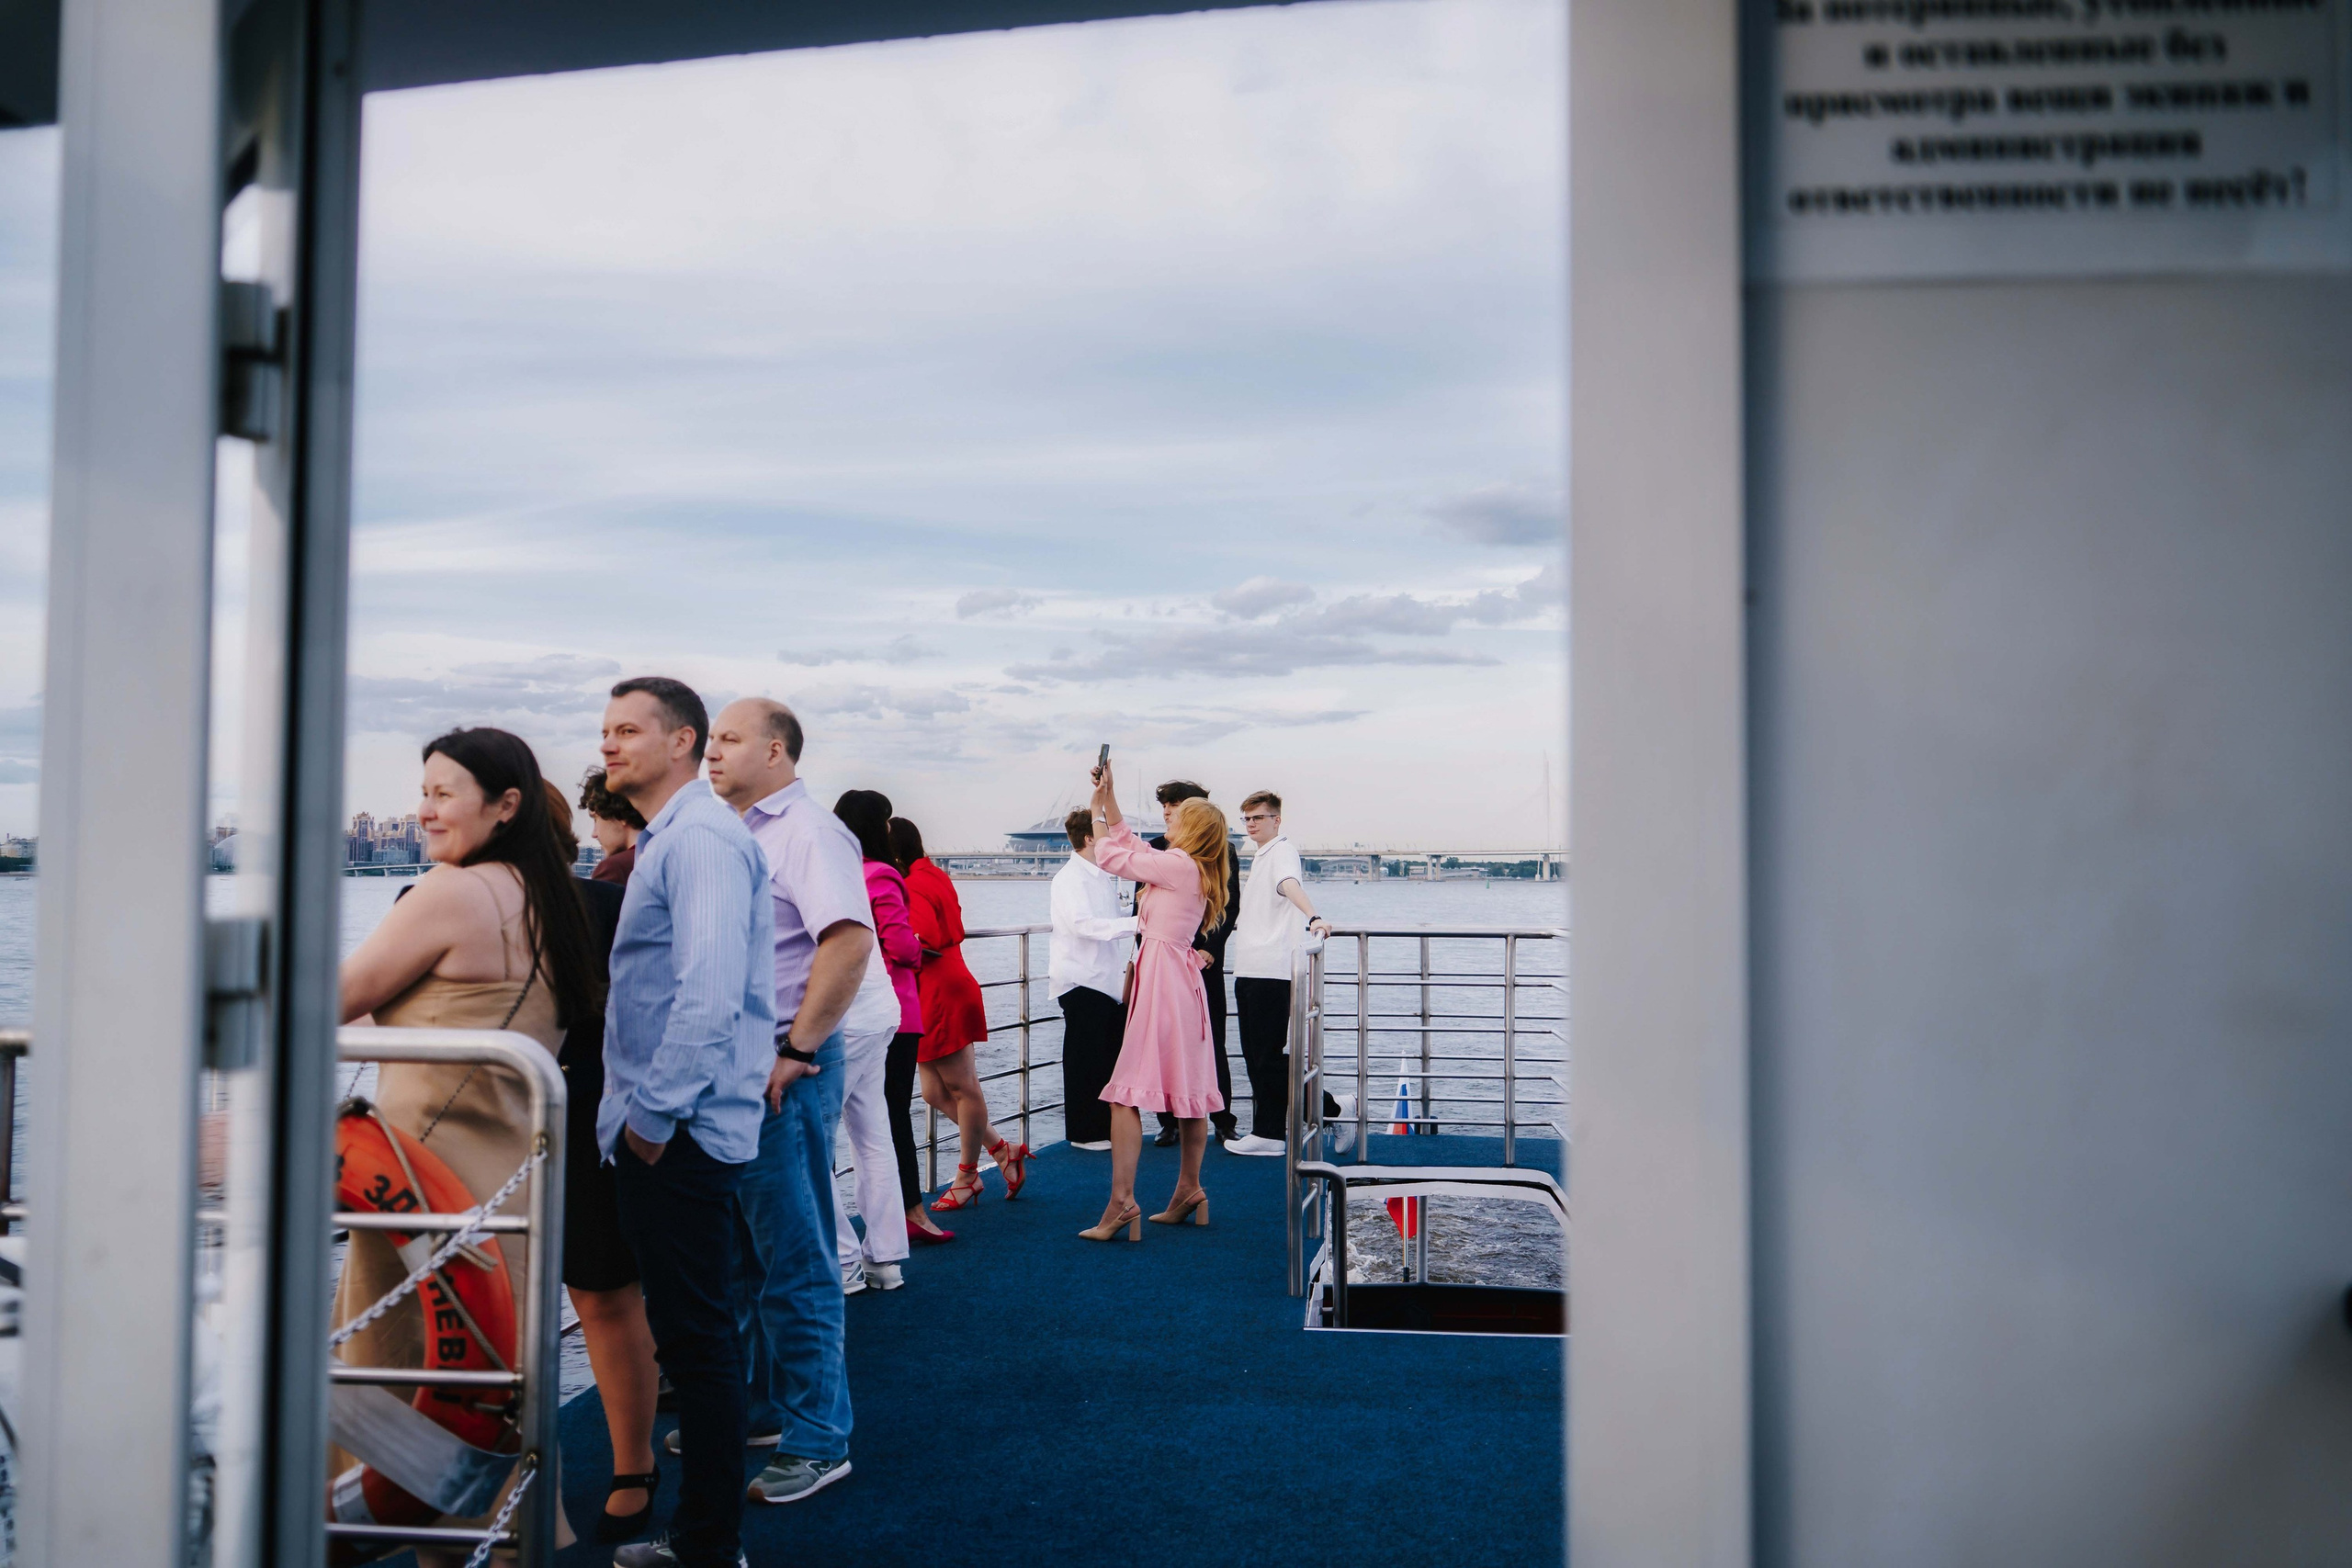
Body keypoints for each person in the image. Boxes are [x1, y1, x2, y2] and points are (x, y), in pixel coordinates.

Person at [333, 728, 601, 1556]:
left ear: (505, 804)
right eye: (424, 791)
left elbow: (328, 1000)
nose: (424, 808)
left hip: (422, 1192)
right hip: (508, 1191)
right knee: (500, 1406)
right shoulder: (546, 898)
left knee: (403, 1392)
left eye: (444, 792)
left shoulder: (450, 894)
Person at [597, 676, 774, 1568]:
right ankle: (707, 1539)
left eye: (628, 729)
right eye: (604, 730)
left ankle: (709, 1547)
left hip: (682, 1134)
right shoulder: (683, 836)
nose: (609, 743)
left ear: (683, 741)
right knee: (695, 1341)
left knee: (697, 1349)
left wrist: (650, 1122)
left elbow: (706, 998)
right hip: (679, 1129)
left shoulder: (697, 839)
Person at [704, 696, 897, 1506]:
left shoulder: (808, 830)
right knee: (747, 1260)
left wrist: (798, 1048)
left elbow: (848, 940)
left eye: (728, 738)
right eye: (711, 737)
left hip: (784, 1073)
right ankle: (760, 1409)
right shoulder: (738, 832)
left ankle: (819, 1437)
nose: (710, 751)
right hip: (739, 1075)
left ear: (776, 751)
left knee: (798, 1256)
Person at [544, 780, 667, 1540]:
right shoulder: (422, 903)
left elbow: (648, 1012)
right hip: (476, 1130)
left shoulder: (600, 906)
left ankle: (634, 1461)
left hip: (589, 1115)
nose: (427, 810)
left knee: (604, 1292)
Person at [1080, 761, 1231, 1241]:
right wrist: (1109, 798)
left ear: (1192, 828)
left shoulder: (1178, 866)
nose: (1168, 819)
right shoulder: (1192, 867)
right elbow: (1131, 843)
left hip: (1164, 981)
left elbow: (1109, 855)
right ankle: (1189, 1189)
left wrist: (1095, 811)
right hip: (1178, 983)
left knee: (1125, 1093)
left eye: (1177, 816)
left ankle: (1122, 1203)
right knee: (1187, 1093)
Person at [891, 817, 1029, 1209]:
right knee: (936, 1092)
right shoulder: (932, 874)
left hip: (937, 988)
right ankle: (1003, 1151)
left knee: (963, 1087)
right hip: (943, 984)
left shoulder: (912, 884)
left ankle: (967, 1176)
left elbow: (923, 940)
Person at [835, 789, 953, 1246]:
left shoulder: (839, 873)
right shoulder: (882, 874)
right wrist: (916, 954)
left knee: (853, 1122)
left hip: (844, 1008)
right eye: (885, 821)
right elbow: (901, 944)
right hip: (893, 1009)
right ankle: (911, 1215)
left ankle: (869, 1229)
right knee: (889, 1119)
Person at [1223, 790, 1333, 1155]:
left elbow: (1289, 886)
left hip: (1272, 969)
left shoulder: (1282, 851)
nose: (1251, 824)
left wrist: (1313, 916)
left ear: (1276, 820)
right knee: (1257, 1056)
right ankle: (1268, 1132)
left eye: (1258, 818)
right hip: (1251, 967)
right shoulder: (1261, 855)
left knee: (1267, 1055)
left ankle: (1330, 1108)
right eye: (1247, 819)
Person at [1148, 780, 1240, 1148]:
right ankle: (1167, 1121)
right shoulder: (1157, 848)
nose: (1168, 811)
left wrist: (1212, 948)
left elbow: (1229, 906)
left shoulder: (1224, 850)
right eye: (1165, 806)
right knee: (1162, 1040)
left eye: (1175, 804)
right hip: (1163, 963)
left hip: (1204, 963)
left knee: (1211, 1038)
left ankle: (1223, 1119)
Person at [1049, 807, 1136, 1152]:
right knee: (1084, 1059)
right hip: (1081, 979)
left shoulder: (1100, 875)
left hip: (1104, 981)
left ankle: (1100, 1128)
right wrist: (1134, 923)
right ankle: (1085, 1132)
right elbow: (1082, 924)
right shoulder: (1069, 878)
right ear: (1089, 839)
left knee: (1104, 1057)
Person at [583, 766, 646, 885]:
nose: (594, 834)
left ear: (620, 814)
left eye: (596, 819)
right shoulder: (665, 855)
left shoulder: (615, 868)